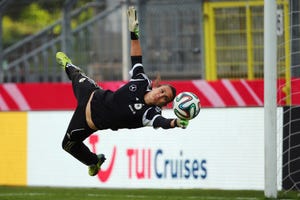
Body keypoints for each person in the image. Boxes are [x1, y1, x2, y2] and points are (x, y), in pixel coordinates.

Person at [56, 6, 189, 176]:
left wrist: (176, 123)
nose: (161, 95)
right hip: (92, 94)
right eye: (162, 90)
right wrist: (134, 33)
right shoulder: (142, 81)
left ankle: (94, 161)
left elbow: (161, 123)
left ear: (164, 104)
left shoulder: (150, 114)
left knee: (67, 145)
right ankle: (69, 65)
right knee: (76, 75)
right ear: (157, 87)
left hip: (87, 121)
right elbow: (136, 58)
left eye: (165, 98)